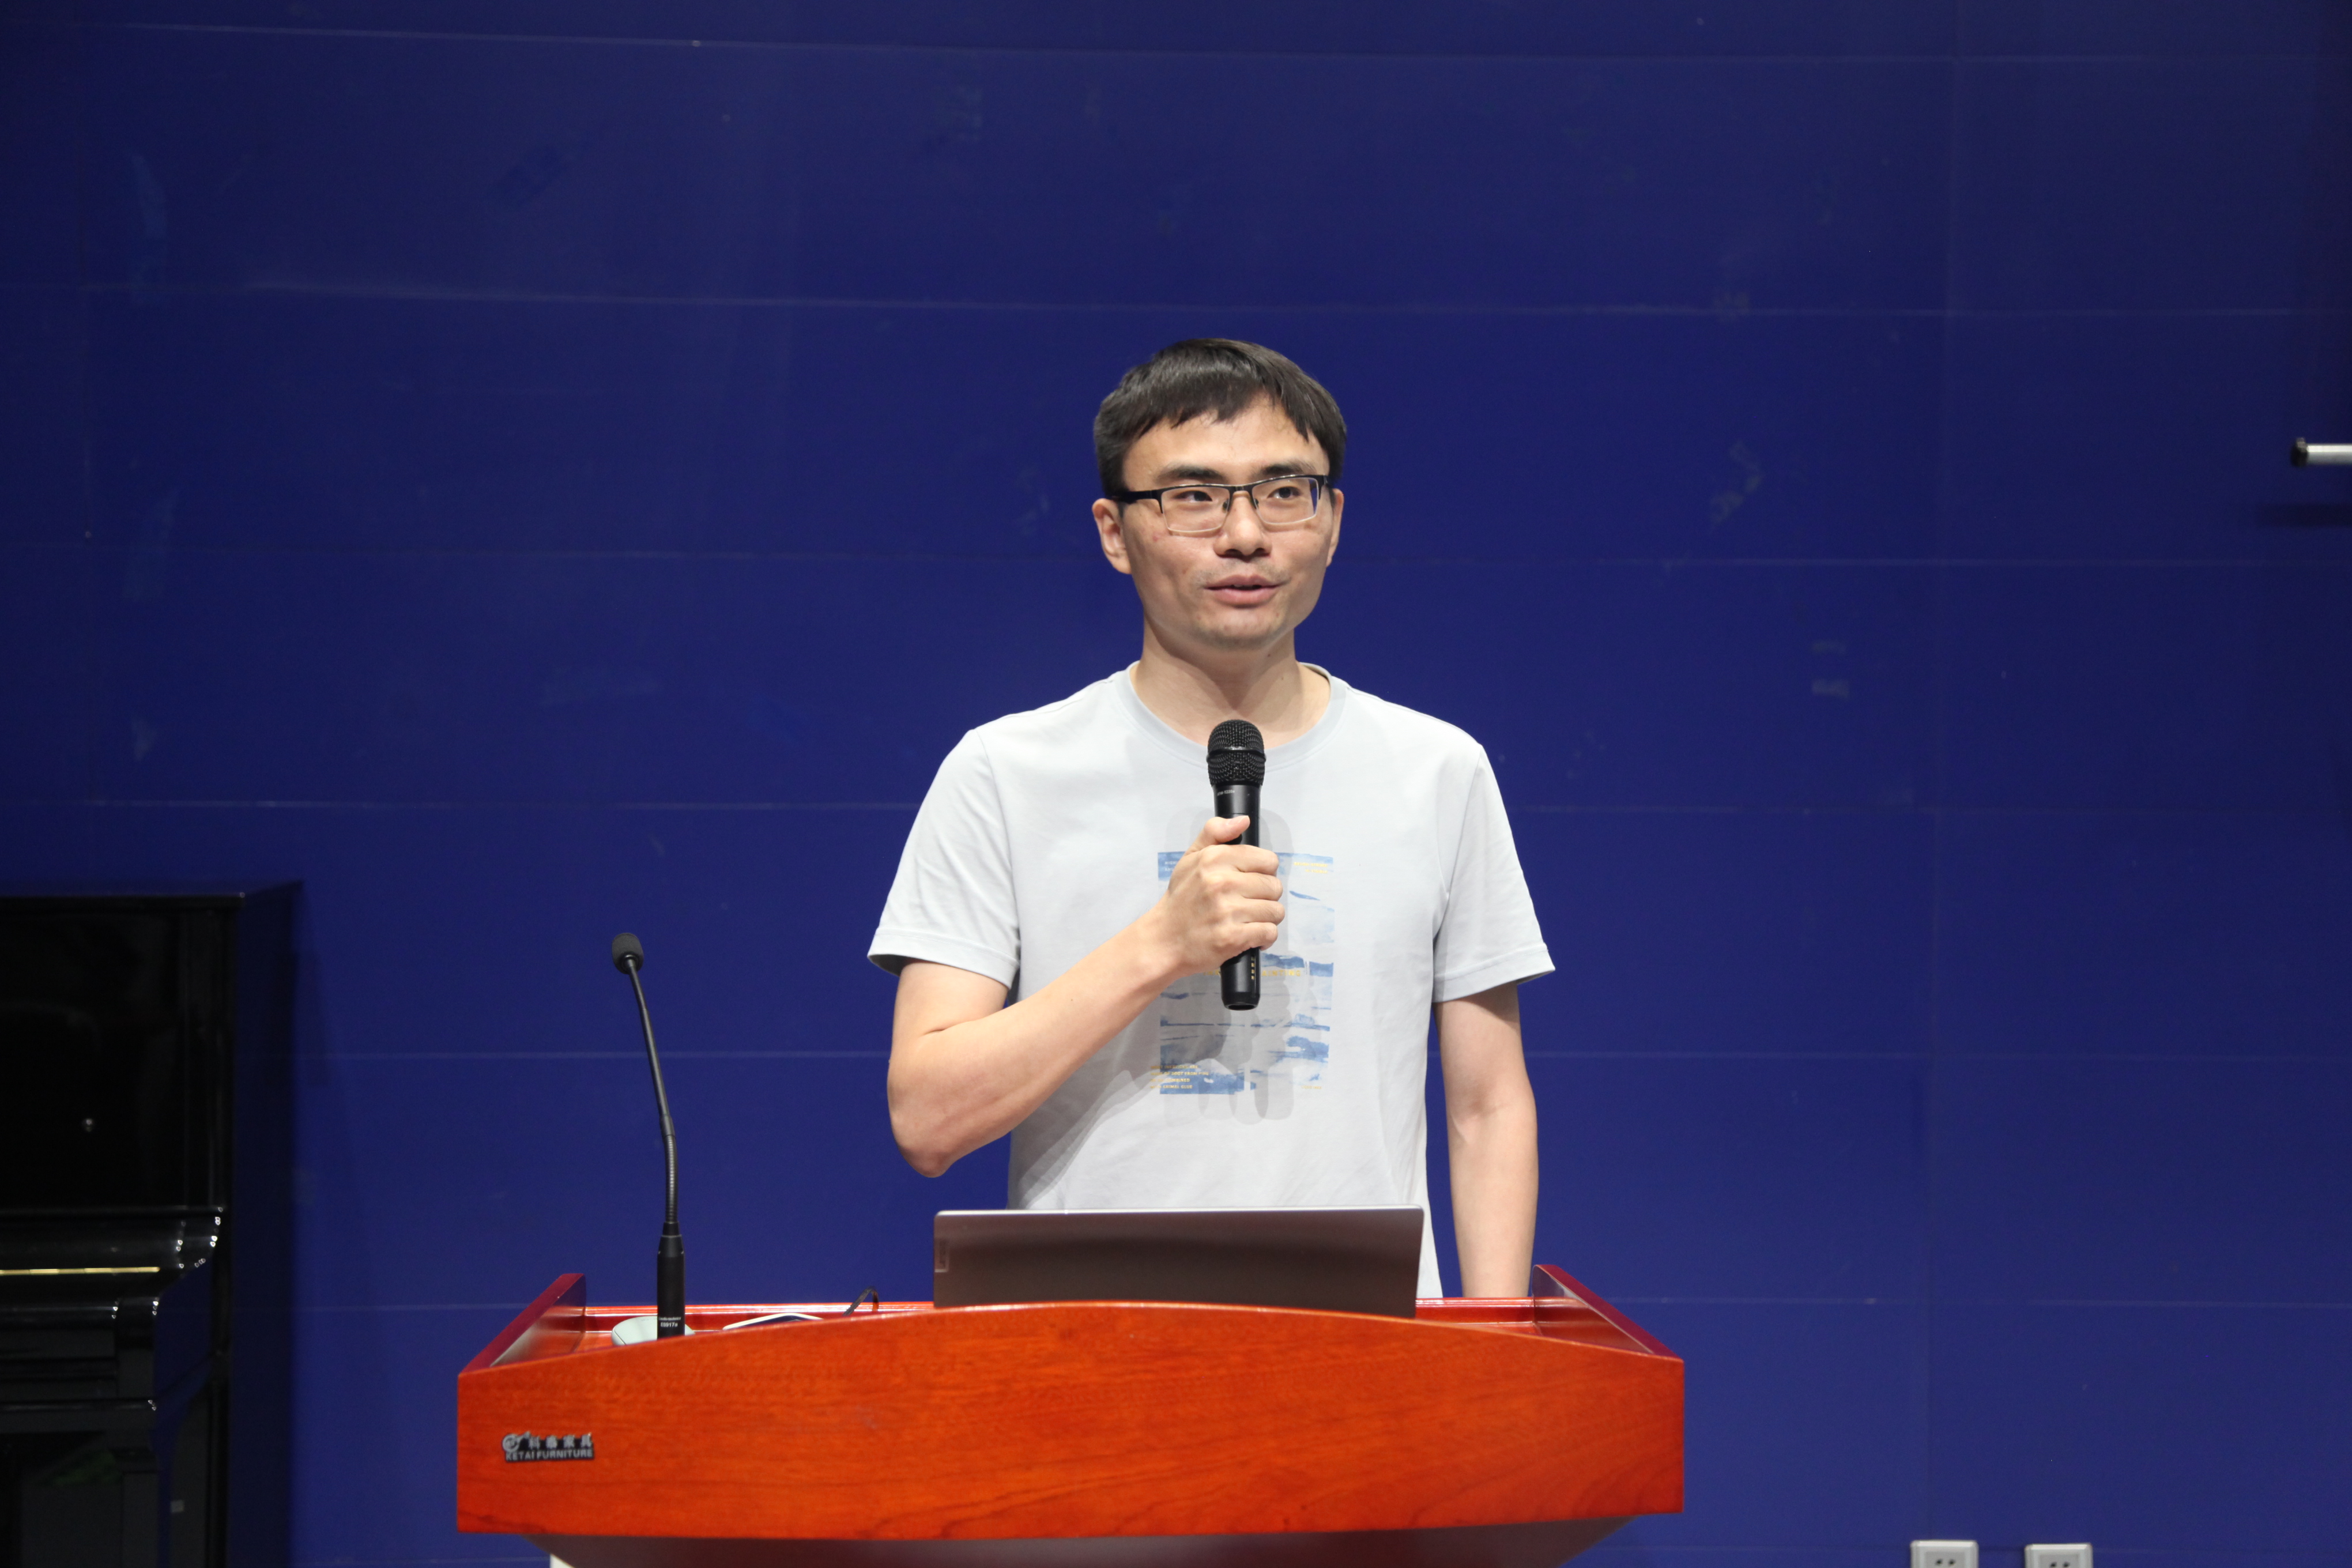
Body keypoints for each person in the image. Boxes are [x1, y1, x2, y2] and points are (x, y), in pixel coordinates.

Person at [869, 339, 1548, 1298]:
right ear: (1114, 532)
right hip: (1089, 1340)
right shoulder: (1007, 773)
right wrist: (1159, 946)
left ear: (1333, 521)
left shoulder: (1437, 771)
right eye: (1193, 497)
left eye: (1284, 492)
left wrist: (1496, 1349)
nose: (1244, 534)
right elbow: (927, 1119)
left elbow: (1488, 1107)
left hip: (1368, 1344)